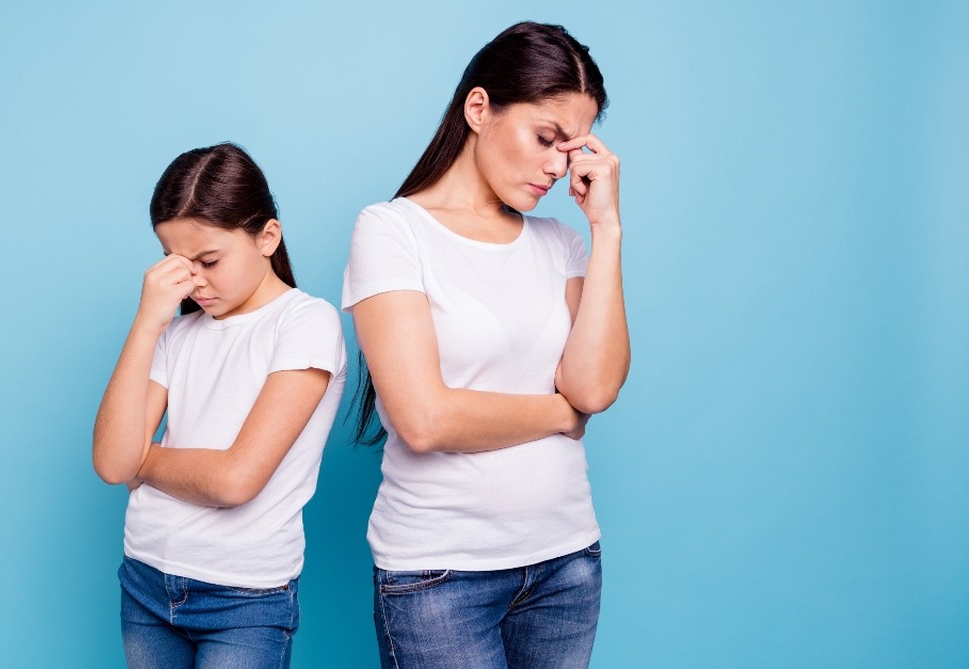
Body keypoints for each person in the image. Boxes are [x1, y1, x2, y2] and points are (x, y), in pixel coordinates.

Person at [342, 22, 630, 668]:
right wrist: (558, 414)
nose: (558, 166)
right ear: (479, 108)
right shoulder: (392, 231)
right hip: (442, 577)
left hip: (567, 563)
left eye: (572, 149)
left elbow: (594, 387)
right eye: (545, 138)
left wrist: (606, 226)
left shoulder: (561, 242)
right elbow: (424, 418)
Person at [93, 142, 347, 668]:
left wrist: (146, 460)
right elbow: (111, 463)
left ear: (267, 237)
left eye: (209, 260)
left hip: (243, 596)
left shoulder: (304, 323)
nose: (194, 281)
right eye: (175, 264)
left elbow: (235, 481)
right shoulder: (176, 332)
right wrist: (147, 323)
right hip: (144, 578)